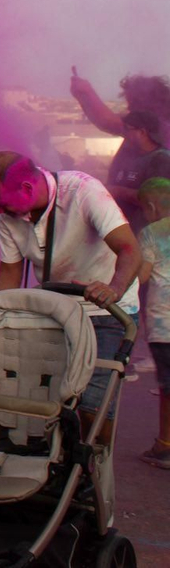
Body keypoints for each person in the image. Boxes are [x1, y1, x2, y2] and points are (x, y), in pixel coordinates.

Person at [0, 151, 141, 431]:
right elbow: (9, 273)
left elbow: (129, 249)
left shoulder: (83, 190)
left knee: (93, 404)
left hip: (106, 312)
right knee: (44, 396)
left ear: (27, 188)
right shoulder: (8, 215)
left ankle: (94, 465)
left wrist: (113, 289)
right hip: (57, 310)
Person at [70, 68, 170, 234]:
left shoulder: (160, 131)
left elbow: (107, 121)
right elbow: (104, 121)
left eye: (131, 104)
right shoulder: (144, 129)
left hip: (147, 237)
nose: (128, 110)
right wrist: (82, 96)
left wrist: (86, 92)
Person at [136, 177, 170, 468]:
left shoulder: (150, 233)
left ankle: (165, 445)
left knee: (167, 388)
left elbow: (143, 276)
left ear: (151, 206)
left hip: (164, 326)